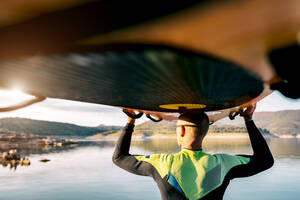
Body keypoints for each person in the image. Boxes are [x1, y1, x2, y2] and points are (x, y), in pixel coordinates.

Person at [112, 104, 274, 200]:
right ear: (205, 132)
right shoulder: (223, 164)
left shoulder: (163, 163)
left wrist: (130, 121)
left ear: (181, 130)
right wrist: (248, 120)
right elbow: (265, 160)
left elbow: (119, 157)